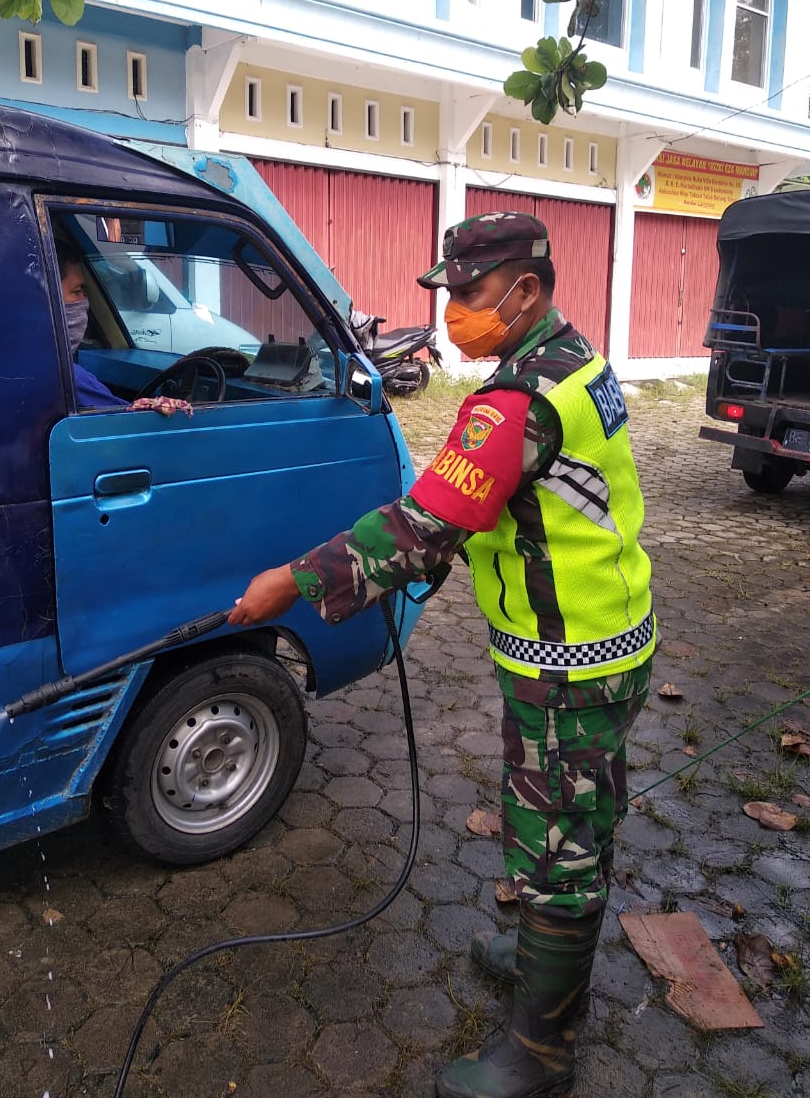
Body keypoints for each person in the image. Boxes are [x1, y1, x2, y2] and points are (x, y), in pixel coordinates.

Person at [228, 211, 655, 1098]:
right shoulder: (576, 360)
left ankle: (542, 1051)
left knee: (560, 841)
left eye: (468, 294)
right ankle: (538, 951)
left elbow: (421, 529)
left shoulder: (517, 403)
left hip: (570, 659)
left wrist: (291, 585)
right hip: (599, 634)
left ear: (525, 291)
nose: (454, 313)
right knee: (559, 807)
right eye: (448, 296)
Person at [55, 238, 193, 418]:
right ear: (46, 297)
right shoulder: (70, 380)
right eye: (76, 291)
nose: (85, 302)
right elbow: (130, 427)